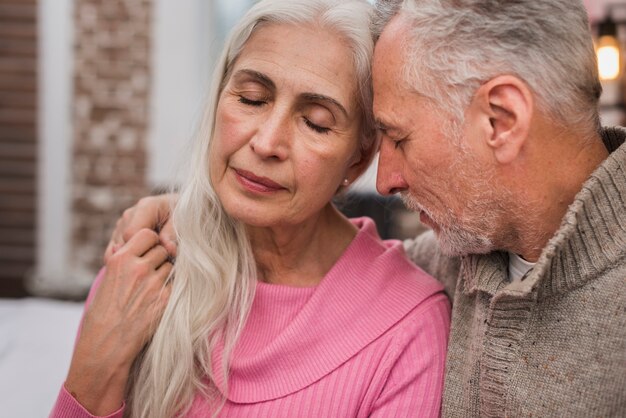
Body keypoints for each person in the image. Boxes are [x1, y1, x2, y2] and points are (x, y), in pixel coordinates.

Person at [113, 0, 626, 416]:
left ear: (501, 120)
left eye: (397, 137)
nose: (384, 180)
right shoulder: (457, 254)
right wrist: (190, 211)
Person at [50, 0, 451, 417]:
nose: (266, 143)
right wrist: (93, 374)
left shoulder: (407, 331)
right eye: (252, 98)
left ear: (359, 157)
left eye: (315, 121)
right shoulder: (142, 269)